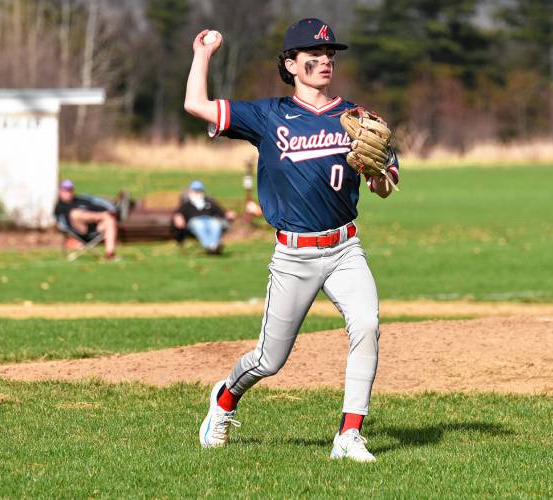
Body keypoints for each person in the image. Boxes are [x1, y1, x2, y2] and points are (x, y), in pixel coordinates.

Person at [185, 18, 399, 462]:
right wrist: (202, 55)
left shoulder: (356, 118)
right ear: (290, 63)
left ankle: (349, 436)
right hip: (294, 255)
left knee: (366, 326)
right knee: (269, 360)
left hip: (344, 248)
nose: (324, 62)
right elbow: (196, 105)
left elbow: (385, 186)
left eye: (329, 56)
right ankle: (224, 401)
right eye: (313, 56)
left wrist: (377, 172)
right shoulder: (268, 116)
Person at [53, 179, 118, 260]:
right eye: (65, 190)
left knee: (109, 219)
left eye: (70, 190)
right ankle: (101, 216)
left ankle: (110, 253)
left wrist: (110, 211)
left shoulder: (81, 200)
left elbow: (100, 207)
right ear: (59, 191)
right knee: (75, 214)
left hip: (95, 230)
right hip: (79, 232)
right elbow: (60, 223)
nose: (68, 193)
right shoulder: (60, 206)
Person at [171, 180, 236, 254]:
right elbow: (178, 213)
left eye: (199, 190)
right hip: (194, 222)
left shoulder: (209, 202)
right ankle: (209, 246)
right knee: (199, 225)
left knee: (215, 224)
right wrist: (178, 218)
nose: (197, 193)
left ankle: (213, 245)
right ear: (190, 192)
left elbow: (220, 211)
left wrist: (228, 214)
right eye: (195, 191)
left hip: (209, 220)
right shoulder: (187, 204)